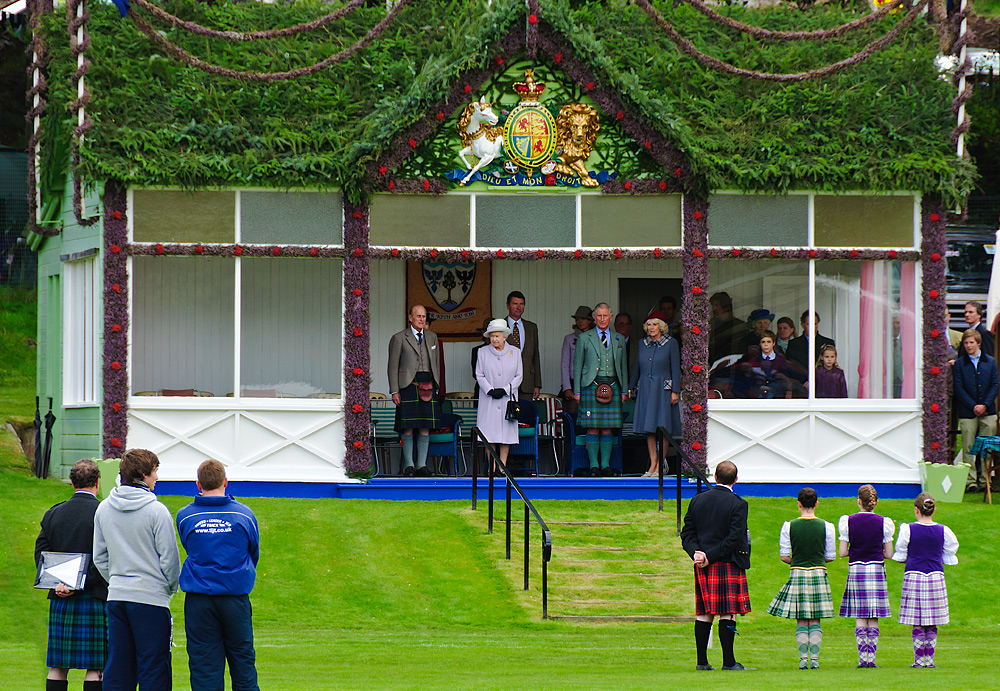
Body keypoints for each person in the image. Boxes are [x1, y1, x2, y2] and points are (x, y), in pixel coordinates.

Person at [93, 448, 180, 690]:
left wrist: (117, 581)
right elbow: (170, 560)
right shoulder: (157, 511)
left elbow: (100, 556)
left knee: (118, 667)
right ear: (143, 475)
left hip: (118, 597)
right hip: (151, 599)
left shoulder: (103, 509)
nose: (157, 478)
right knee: (154, 669)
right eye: (155, 472)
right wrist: (168, 589)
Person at [176, 460, 261, 691]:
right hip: (235, 598)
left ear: (198, 484)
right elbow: (253, 552)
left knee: (204, 665)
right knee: (242, 662)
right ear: (225, 481)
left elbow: (190, 547)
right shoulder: (243, 514)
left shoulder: (185, 516)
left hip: (199, 600)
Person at [35, 459, 109, 691]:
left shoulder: (53, 514)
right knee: (96, 667)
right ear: (98, 482)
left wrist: (58, 581)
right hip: (94, 596)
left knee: (58, 666)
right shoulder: (103, 513)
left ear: (72, 483)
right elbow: (104, 558)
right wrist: (79, 583)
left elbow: (41, 552)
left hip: (60, 596)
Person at [680, 460, 752, 671]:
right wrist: (709, 556)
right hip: (725, 562)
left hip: (702, 563)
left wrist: (697, 553)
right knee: (727, 612)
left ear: (715, 477)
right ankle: (729, 662)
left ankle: (702, 662)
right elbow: (734, 538)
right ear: (736, 480)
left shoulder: (697, 500)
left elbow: (687, 534)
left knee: (704, 613)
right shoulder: (738, 503)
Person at [765, 487, 836, 670]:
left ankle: (803, 659)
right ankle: (815, 660)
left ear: (798, 504)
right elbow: (830, 555)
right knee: (816, 619)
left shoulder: (789, 526)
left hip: (797, 571)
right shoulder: (827, 526)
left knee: (801, 618)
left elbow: (784, 556)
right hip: (819, 571)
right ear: (816, 504)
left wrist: (798, 561)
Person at [891, 493, 959, 669]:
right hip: (935, 575)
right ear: (933, 510)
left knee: (917, 619)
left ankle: (920, 661)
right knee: (932, 619)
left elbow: (901, 553)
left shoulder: (908, 529)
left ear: (916, 510)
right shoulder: (944, 530)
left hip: (914, 574)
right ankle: (929, 661)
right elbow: (949, 552)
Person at [838, 484, 894, 668]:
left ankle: (863, 660)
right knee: (874, 615)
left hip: (856, 568)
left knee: (860, 615)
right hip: (876, 568)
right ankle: (872, 660)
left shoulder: (848, 521)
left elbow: (843, 552)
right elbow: (889, 554)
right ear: (876, 503)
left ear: (858, 502)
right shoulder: (884, 522)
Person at [387, 305, 442, 477]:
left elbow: (437, 364)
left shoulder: (432, 337)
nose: (421, 319)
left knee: (425, 427)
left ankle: (422, 466)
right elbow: (392, 366)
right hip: (407, 385)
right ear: (410, 318)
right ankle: (409, 466)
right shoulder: (399, 338)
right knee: (408, 427)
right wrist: (395, 390)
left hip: (428, 384)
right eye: (418, 316)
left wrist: (437, 385)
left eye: (424, 316)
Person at [573, 303, 628, 476]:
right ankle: (594, 466)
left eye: (605, 316)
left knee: (607, 428)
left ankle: (605, 466)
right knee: (592, 428)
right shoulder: (584, 338)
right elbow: (577, 366)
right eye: (599, 316)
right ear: (594, 318)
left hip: (613, 386)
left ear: (611, 317)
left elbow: (623, 367)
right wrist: (577, 391)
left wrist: (624, 390)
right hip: (590, 385)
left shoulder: (619, 338)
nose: (602, 319)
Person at [628, 311, 680, 477]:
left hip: (663, 390)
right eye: (649, 324)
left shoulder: (671, 343)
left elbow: (675, 369)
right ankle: (652, 466)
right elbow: (637, 366)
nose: (651, 328)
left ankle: (659, 466)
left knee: (662, 428)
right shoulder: (643, 343)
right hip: (646, 388)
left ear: (661, 326)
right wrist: (631, 387)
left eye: (655, 324)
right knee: (649, 429)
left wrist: (675, 391)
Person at [954, 327, 999, 492]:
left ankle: (985, 480)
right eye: (965, 343)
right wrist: (973, 406)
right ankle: (970, 481)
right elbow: (958, 388)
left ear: (978, 343)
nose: (968, 346)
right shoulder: (960, 363)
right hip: (968, 412)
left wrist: (984, 405)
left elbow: (995, 385)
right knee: (968, 446)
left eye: (971, 342)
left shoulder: (990, 361)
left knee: (987, 447)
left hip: (988, 411)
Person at [475, 318, 524, 471]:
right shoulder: (482, 352)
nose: (494, 339)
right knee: (489, 435)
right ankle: (492, 467)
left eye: (497, 336)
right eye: (492, 336)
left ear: (504, 336)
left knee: (505, 435)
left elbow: (519, 375)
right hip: (488, 399)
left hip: (507, 399)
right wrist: (489, 389)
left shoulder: (515, 352)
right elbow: (479, 374)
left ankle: (502, 467)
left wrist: (506, 389)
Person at [505, 291, 541, 400]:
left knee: (525, 415)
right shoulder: (500, 325)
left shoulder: (531, 327)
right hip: (506, 382)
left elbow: (535, 356)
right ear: (507, 305)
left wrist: (537, 384)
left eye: (521, 304)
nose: (518, 307)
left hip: (527, 383)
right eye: (515, 304)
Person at [560, 306, 594, 417]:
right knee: (572, 416)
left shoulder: (596, 338)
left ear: (590, 321)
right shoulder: (569, 339)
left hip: (591, 383)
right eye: (577, 319)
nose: (580, 322)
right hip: (573, 382)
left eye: (583, 319)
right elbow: (564, 364)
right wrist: (567, 388)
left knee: (589, 417)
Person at [739, 330, 791, 399]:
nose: (766, 344)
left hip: (777, 394)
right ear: (760, 344)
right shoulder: (752, 358)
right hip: (755, 394)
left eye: (769, 342)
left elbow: (788, 377)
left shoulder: (781, 359)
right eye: (763, 342)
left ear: (773, 343)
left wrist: (783, 377)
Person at [708, 292, 748, 366]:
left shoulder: (740, 326)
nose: (714, 308)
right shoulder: (709, 325)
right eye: (712, 305)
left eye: (717, 305)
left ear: (726, 307)